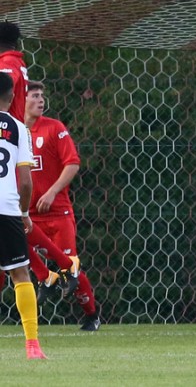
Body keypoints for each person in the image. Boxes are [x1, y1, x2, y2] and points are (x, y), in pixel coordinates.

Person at [0, 21, 80, 302]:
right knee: (15, 223)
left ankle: (57, 269)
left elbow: (5, 86)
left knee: (13, 219)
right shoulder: (13, 60)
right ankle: (56, 269)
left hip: (8, 134)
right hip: (12, 134)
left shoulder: (8, 64)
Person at [25, 81, 100, 331]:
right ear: (20, 100)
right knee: (14, 253)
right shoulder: (12, 131)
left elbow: (73, 164)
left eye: (42, 96)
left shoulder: (54, 128)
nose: (40, 100)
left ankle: (91, 315)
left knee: (71, 267)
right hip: (28, 217)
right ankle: (44, 278)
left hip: (58, 213)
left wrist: (52, 191)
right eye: (34, 96)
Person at [0, 72, 47, 359]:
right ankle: (32, 346)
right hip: (7, 209)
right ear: (13, 97)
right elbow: (26, 182)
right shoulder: (18, 128)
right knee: (20, 274)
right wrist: (25, 213)